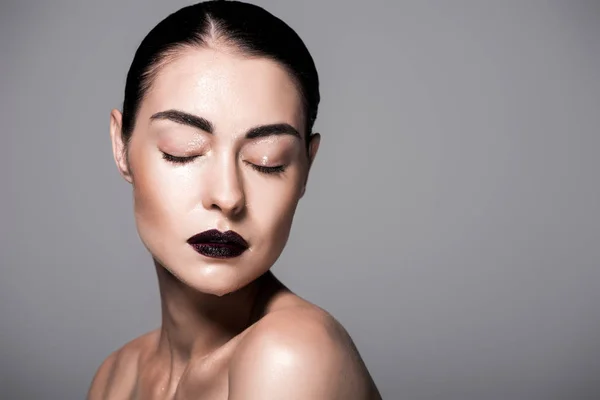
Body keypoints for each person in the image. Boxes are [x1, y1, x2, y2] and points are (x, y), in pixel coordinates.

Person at [87, 1, 382, 398]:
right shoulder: (115, 377)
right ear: (121, 146)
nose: (228, 197)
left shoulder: (290, 355)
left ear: (306, 167)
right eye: (183, 150)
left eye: (268, 161)